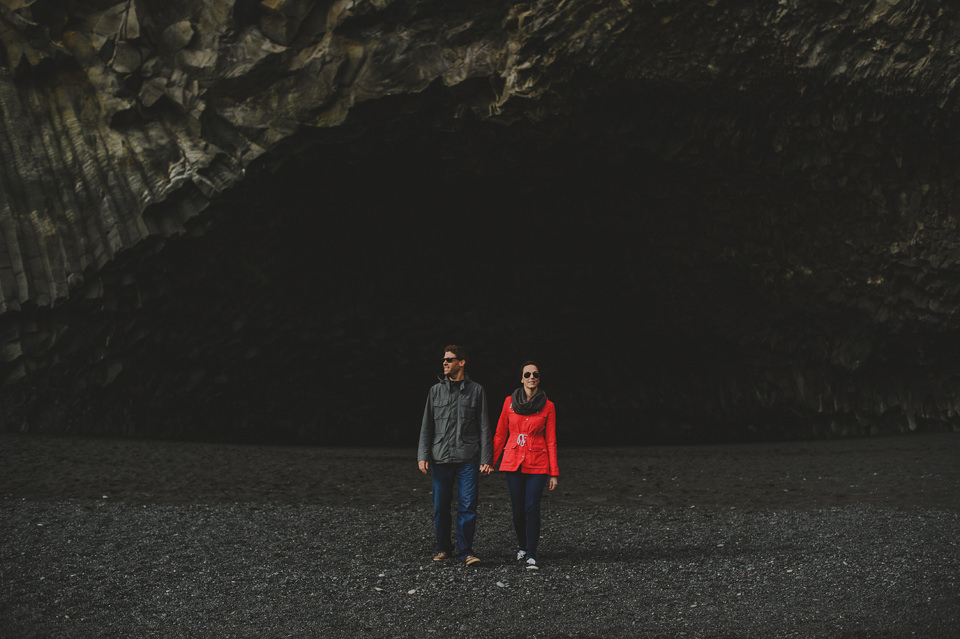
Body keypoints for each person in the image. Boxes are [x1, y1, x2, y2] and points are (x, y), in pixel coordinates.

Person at [418, 345, 493, 565]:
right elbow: (426, 426)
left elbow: (484, 426)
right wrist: (422, 455)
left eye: (449, 359)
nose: (445, 363)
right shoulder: (435, 391)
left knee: (468, 506)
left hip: (468, 459)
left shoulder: (476, 390)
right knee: (440, 507)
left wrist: (487, 459)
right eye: (444, 359)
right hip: (440, 459)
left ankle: (466, 552)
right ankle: (443, 548)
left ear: (462, 362)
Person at [492, 360, 559, 570]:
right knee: (517, 509)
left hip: (538, 463)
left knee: (532, 507)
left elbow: (551, 440)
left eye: (536, 374)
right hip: (513, 461)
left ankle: (531, 552)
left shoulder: (548, 406)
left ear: (539, 379)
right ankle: (522, 545)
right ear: (521, 378)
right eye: (527, 374)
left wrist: (554, 472)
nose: (532, 377)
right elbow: (501, 433)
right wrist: (490, 461)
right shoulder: (508, 403)